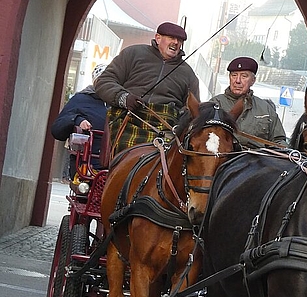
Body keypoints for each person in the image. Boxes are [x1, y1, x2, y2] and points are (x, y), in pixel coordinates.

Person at [94, 22, 200, 154]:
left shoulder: (188, 73)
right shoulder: (132, 53)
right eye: (171, 38)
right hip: (128, 119)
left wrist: (181, 117)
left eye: (180, 40)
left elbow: (193, 108)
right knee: (127, 154)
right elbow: (104, 81)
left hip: (166, 127)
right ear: (158, 38)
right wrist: (124, 98)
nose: (176, 43)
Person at [210, 56, 286, 149]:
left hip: (258, 161)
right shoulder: (215, 105)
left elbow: (279, 141)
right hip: (225, 160)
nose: (237, 81)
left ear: (253, 81)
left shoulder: (266, 109)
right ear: (229, 77)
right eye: (234, 75)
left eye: (244, 76)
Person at [51, 63, 108, 180]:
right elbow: (57, 129)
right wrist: (77, 120)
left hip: (115, 164)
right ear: (95, 81)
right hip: (87, 164)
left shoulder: (118, 104)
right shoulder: (81, 99)